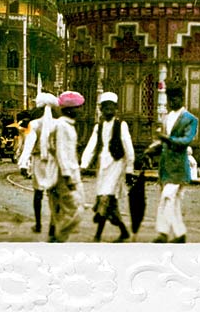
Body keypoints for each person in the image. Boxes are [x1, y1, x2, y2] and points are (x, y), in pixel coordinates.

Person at [80, 91, 135, 243]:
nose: (108, 111)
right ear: (101, 109)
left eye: (111, 108)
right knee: (108, 201)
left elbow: (128, 147)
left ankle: (97, 235)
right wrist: (83, 164)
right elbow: (91, 145)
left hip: (117, 165)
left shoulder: (121, 125)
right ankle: (123, 231)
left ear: (116, 109)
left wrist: (129, 169)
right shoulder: (99, 126)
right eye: (105, 108)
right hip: (103, 166)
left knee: (105, 197)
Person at [153, 82, 197, 243]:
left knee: (168, 197)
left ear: (182, 99)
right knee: (173, 201)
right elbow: (163, 142)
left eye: (175, 98)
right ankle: (179, 234)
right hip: (165, 165)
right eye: (170, 99)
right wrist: (153, 149)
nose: (172, 102)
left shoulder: (190, 119)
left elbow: (185, 140)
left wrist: (166, 139)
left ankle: (163, 233)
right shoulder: (166, 118)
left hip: (178, 166)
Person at [17, 92, 61, 237]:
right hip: (53, 162)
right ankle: (53, 224)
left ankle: (38, 224)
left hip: (38, 162)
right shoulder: (58, 124)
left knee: (38, 193)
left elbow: (28, 145)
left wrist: (23, 163)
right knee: (54, 195)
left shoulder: (34, 124)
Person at [48, 91, 85, 243]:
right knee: (77, 209)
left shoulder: (64, 125)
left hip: (64, 173)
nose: (81, 111)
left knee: (61, 210)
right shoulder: (62, 126)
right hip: (66, 176)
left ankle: (57, 236)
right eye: (79, 107)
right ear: (71, 109)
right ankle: (59, 236)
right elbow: (61, 151)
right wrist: (67, 175)